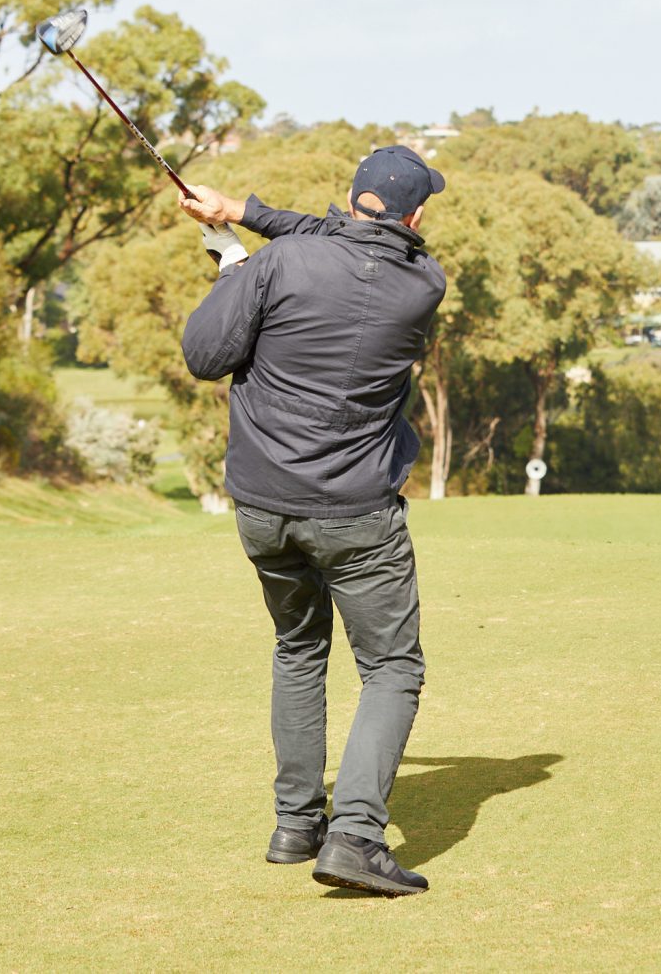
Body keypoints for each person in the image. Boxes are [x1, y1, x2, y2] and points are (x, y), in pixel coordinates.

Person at [176, 144, 448, 898]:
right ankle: (355, 836)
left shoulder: (280, 264)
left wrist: (232, 262)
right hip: (357, 513)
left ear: (351, 198)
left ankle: (297, 825)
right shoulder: (424, 282)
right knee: (392, 668)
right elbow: (339, 245)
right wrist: (240, 213)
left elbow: (205, 354)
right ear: (414, 217)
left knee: (298, 649)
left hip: (264, 507)